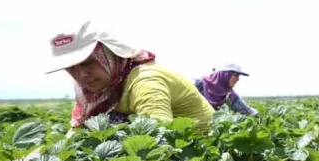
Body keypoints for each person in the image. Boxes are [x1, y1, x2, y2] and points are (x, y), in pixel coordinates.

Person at [47, 21, 215, 129]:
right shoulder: (96, 89)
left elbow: (159, 139)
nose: (81, 75)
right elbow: (77, 133)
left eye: (88, 62)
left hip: (200, 152)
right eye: (71, 67)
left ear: (110, 54)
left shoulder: (146, 81)